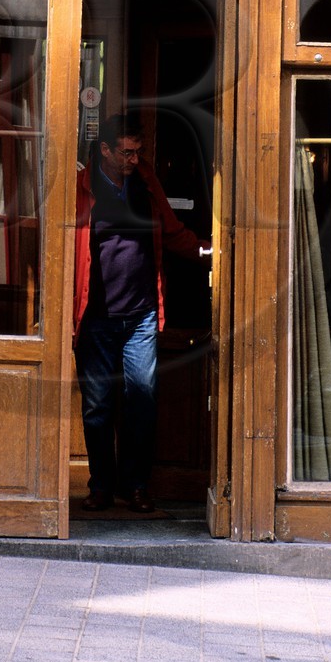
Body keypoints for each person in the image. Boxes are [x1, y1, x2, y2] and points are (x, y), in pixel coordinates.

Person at [73, 112, 205, 512]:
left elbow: (171, 231)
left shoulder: (146, 182)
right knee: (97, 406)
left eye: (137, 152)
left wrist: (209, 252)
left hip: (141, 315)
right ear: (105, 150)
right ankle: (100, 487)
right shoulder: (82, 187)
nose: (134, 159)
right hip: (95, 317)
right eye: (127, 153)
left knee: (142, 402)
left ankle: (135, 486)